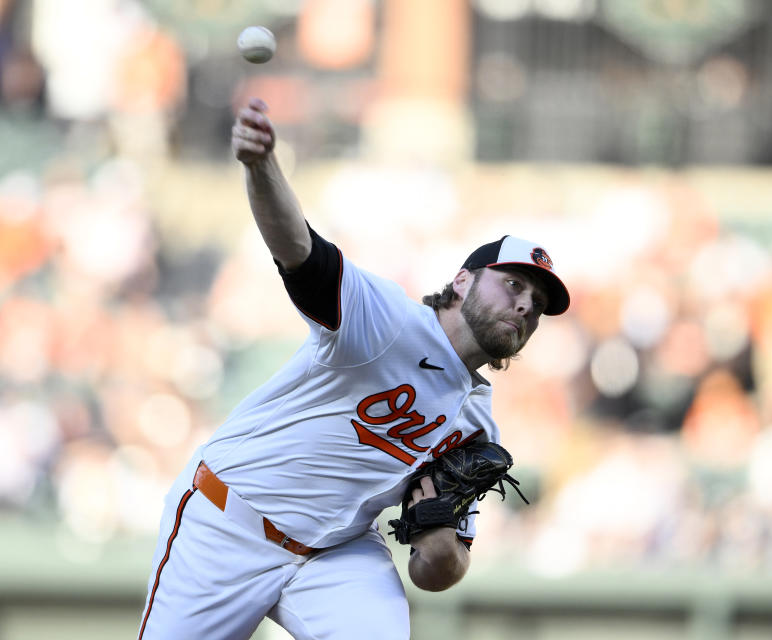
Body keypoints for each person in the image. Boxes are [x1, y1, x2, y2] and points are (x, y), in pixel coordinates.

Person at [137, 97, 571, 640]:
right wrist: (262, 166)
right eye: (513, 284)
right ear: (462, 281)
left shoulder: (477, 430)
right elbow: (298, 249)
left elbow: (440, 571)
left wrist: (439, 545)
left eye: (538, 301)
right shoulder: (387, 321)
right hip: (230, 520)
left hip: (335, 554)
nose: (526, 305)